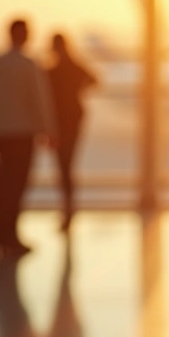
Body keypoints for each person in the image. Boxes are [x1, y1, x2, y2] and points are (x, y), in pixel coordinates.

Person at [0, 19, 56, 257]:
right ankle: (11, 234)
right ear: (25, 36)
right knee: (18, 186)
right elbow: (39, 100)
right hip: (24, 134)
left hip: (3, 132)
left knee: (4, 184)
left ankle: (2, 233)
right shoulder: (30, 65)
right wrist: (47, 129)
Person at [46, 34, 97, 232]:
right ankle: (69, 208)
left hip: (59, 121)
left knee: (64, 165)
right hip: (72, 119)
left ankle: (67, 209)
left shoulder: (52, 71)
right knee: (67, 164)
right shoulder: (74, 67)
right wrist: (77, 91)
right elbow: (94, 80)